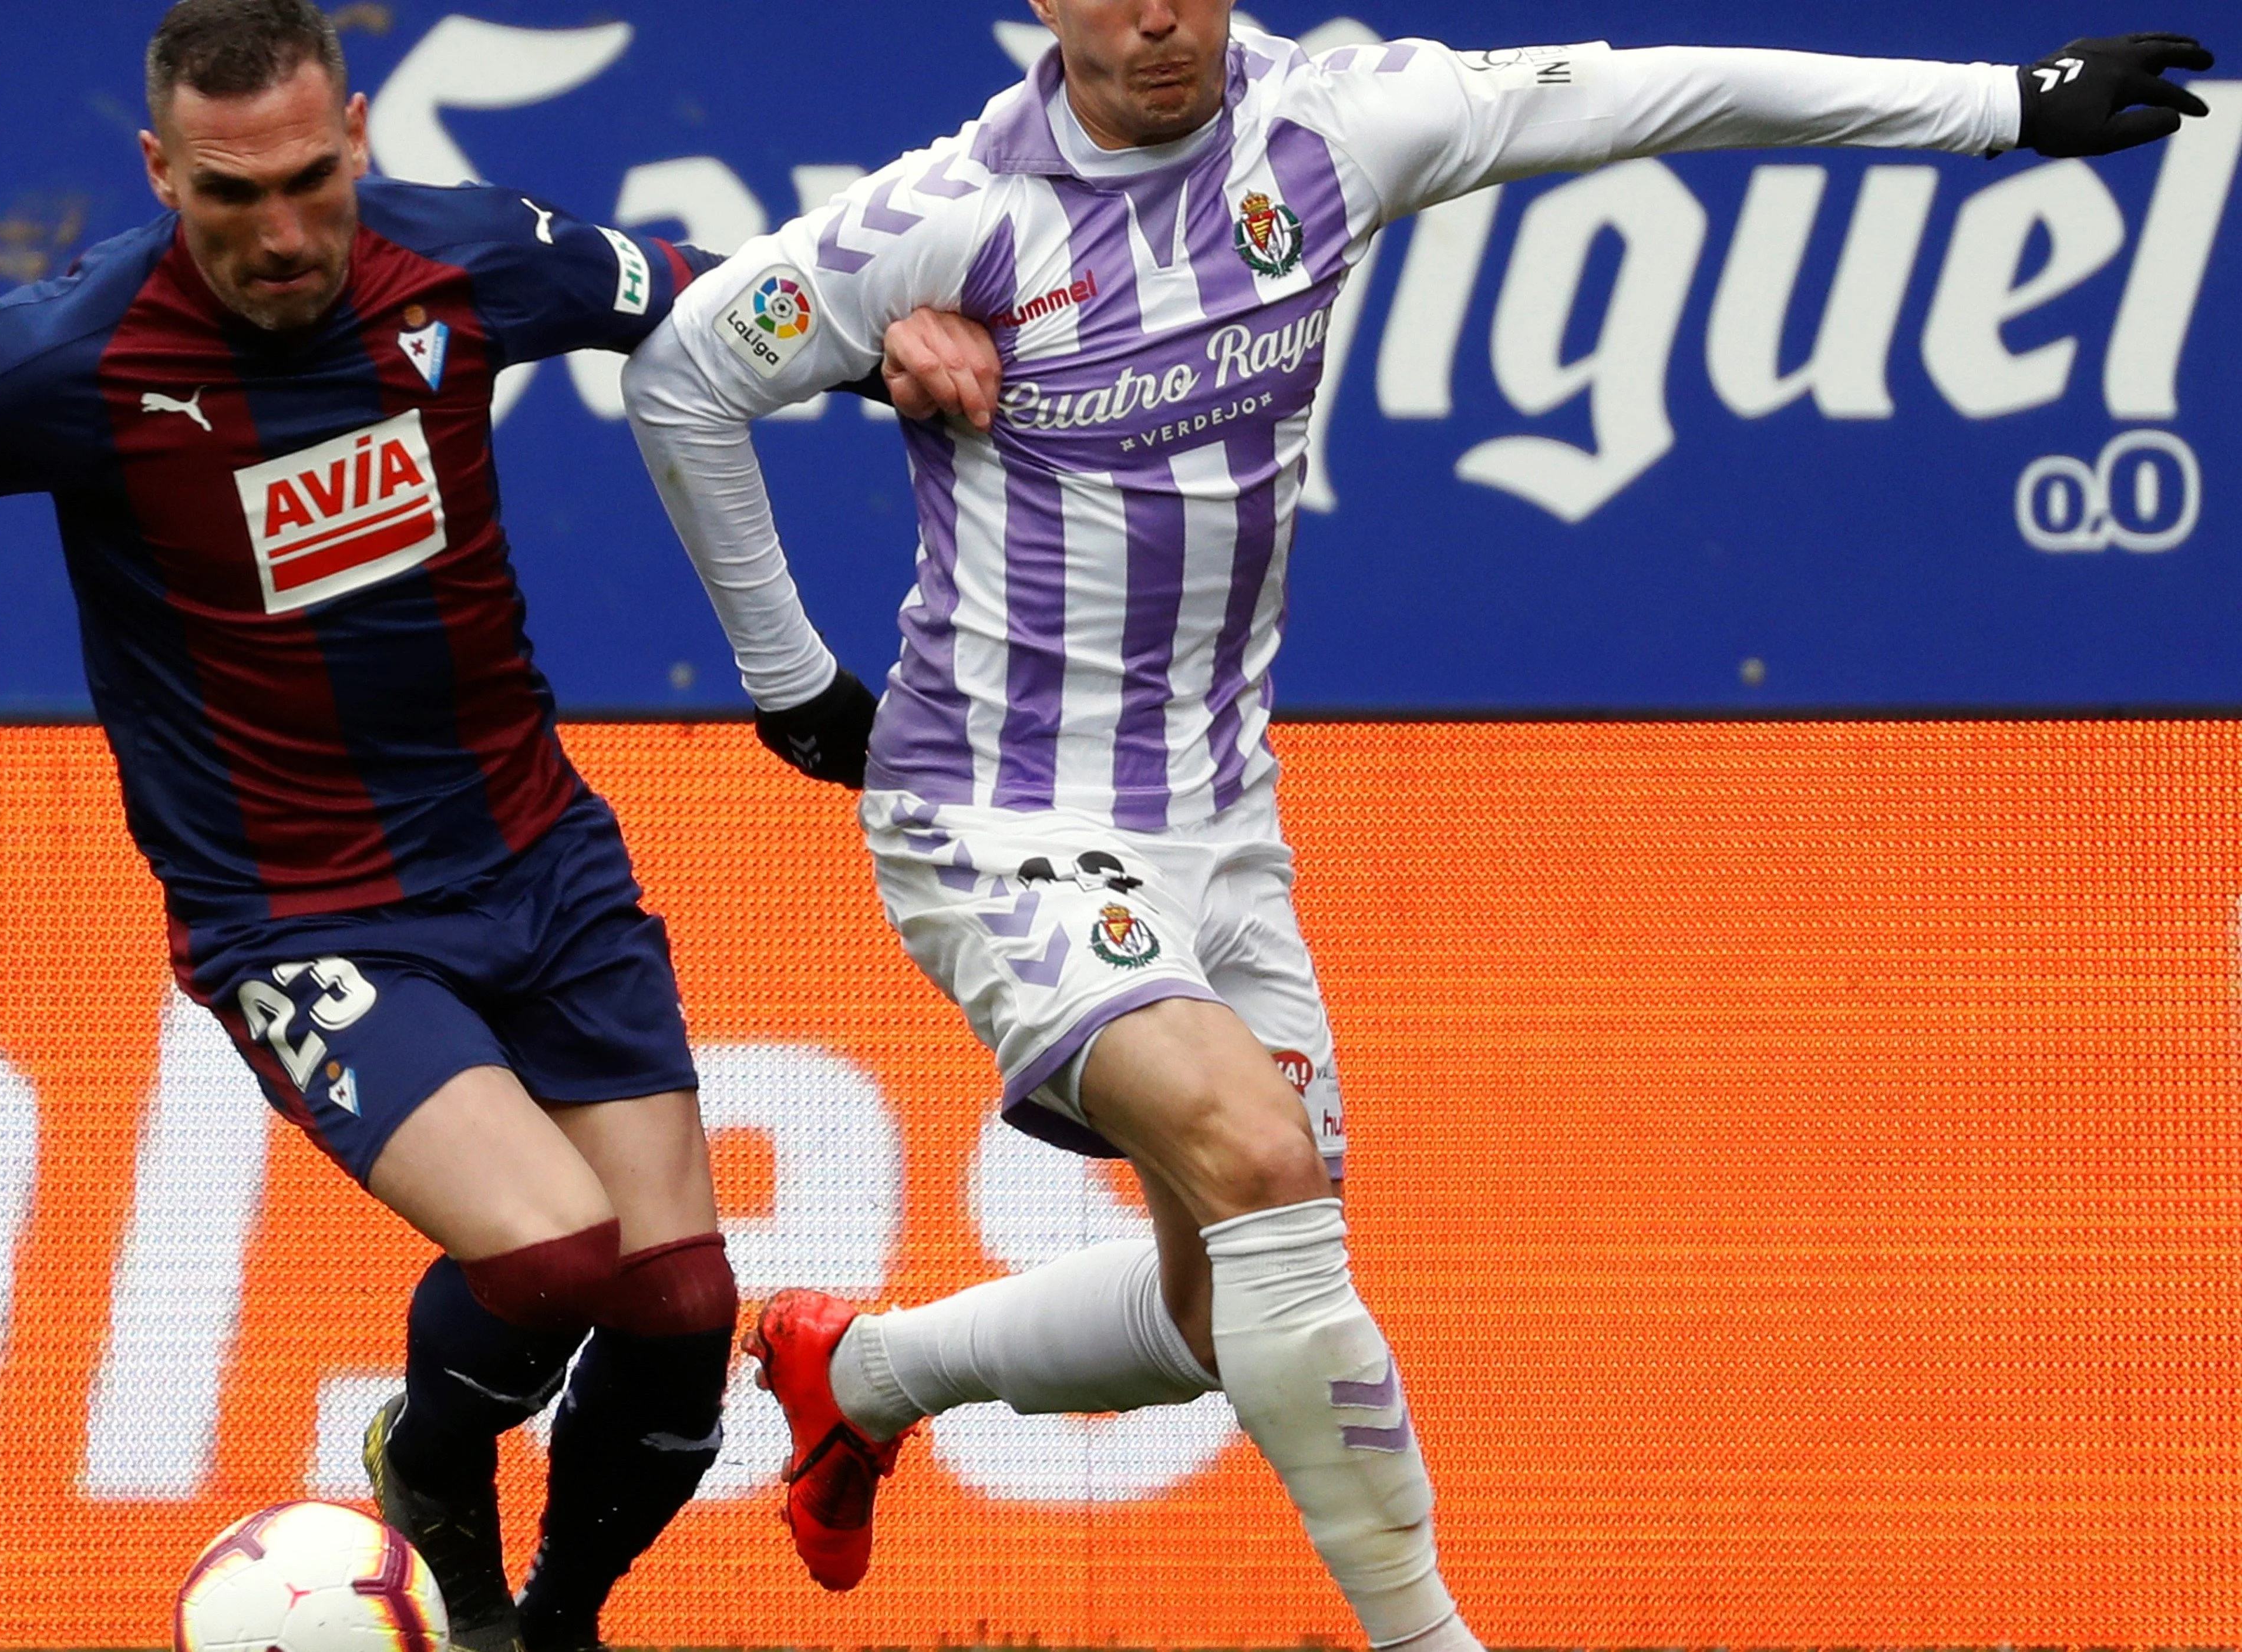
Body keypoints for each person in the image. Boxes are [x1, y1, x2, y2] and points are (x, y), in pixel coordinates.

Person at [0, 4, 992, 1649]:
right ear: (161, 172)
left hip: (543, 860)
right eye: (233, 199)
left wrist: (883, 346)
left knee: (678, 1304)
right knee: (558, 1253)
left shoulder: (467, 260)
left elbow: (717, 302)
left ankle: (549, 1623)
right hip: (303, 914)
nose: (283, 233)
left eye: (309, 182)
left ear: (356, 136)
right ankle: (423, 1460)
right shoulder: (73, 357)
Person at [623, 4, 2210, 1646]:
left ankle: (864, 1370)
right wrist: (793, 679)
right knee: (1257, 1157)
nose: (1159, 16)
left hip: (1220, 816)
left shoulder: (1332, 127)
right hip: (997, 807)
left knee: (1223, 1305)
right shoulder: (945, 222)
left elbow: (1649, 92)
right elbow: (684, 376)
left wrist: (2002, 106)